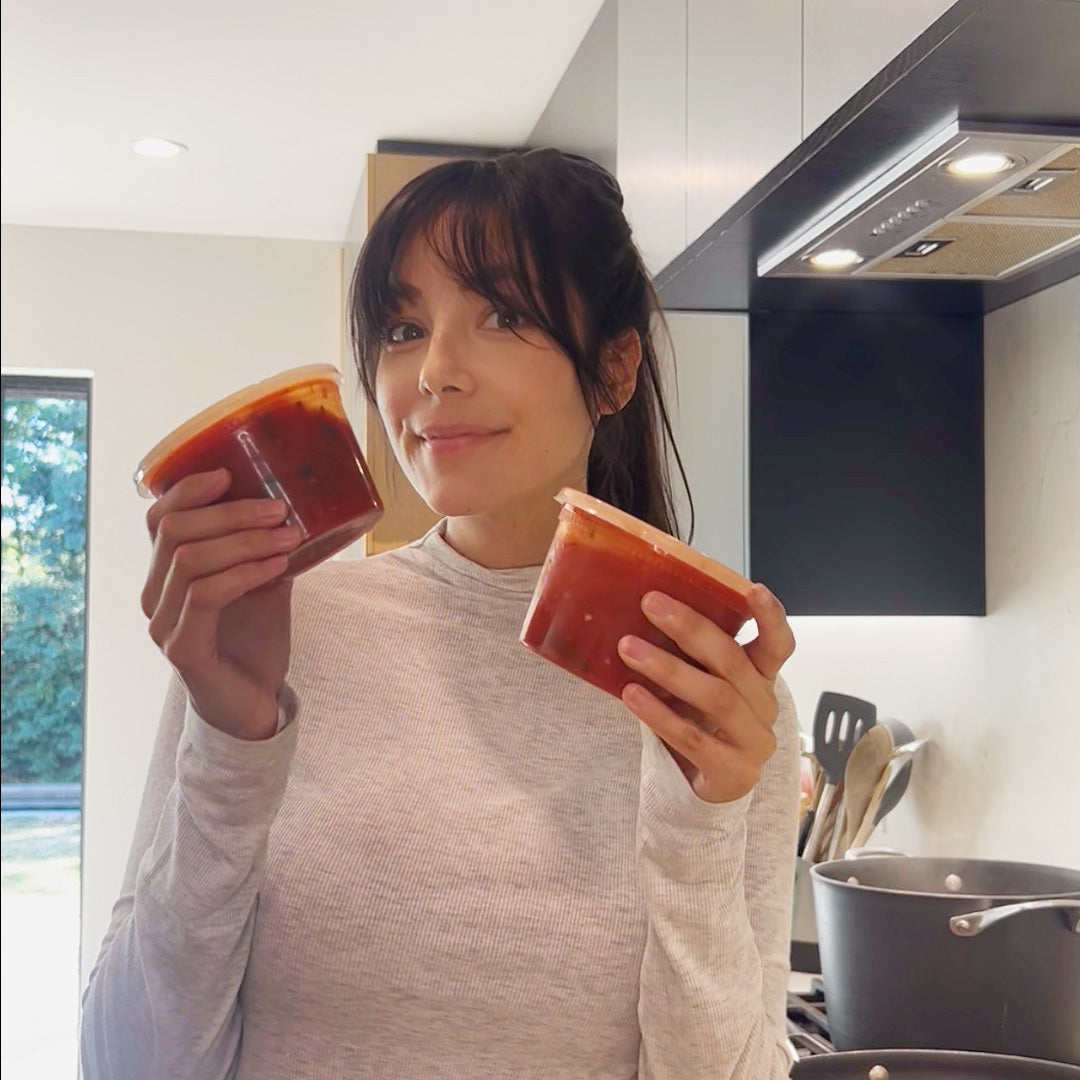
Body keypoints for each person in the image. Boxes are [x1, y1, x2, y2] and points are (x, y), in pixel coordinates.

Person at [81, 148, 800, 1079]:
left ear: (615, 368)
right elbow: (128, 1065)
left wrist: (698, 827)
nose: (435, 373)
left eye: (501, 315)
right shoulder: (275, 635)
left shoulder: (708, 682)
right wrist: (230, 740)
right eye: (401, 327)